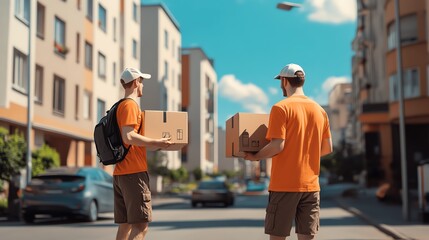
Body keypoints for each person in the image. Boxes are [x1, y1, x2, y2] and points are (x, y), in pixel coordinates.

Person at [244, 63, 333, 240]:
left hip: (284, 185)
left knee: (278, 237)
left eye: (280, 82)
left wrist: (255, 156)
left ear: (284, 81)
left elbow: (277, 146)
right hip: (311, 186)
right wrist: (305, 156)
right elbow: (328, 148)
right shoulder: (320, 111)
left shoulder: (281, 108)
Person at [114, 67, 173, 240]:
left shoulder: (119, 106)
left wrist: (158, 145)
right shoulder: (130, 105)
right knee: (141, 226)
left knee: (125, 225)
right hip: (133, 173)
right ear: (135, 82)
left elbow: (132, 140)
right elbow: (129, 136)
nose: (143, 86)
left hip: (121, 173)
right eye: (142, 81)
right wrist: (156, 142)